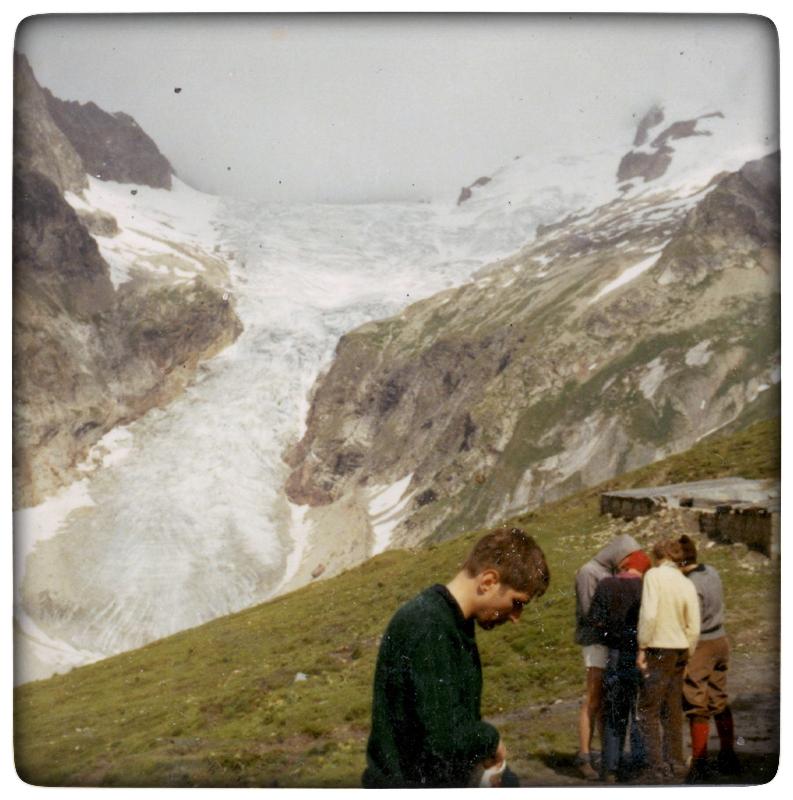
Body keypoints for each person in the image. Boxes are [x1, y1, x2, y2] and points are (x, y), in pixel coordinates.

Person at [362, 525, 550, 788]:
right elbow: (444, 740)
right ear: (488, 582)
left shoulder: (450, 620)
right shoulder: (429, 626)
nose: (516, 617)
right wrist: (491, 739)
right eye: (517, 602)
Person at [574, 533, 640, 779]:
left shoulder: (606, 572)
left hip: (609, 642)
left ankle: (604, 756)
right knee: (593, 698)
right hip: (596, 643)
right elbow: (588, 610)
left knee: (604, 700)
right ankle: (584, 756)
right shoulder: (588, 572)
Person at [676, 534, 740, 783]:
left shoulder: (688, 584)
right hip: (720, 639)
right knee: (719, 697)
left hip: (701, 643)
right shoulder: (711, 572)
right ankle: (727, 754)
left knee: (696, 701)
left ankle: (700, 763)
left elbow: (690, 621)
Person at [635, 539, 700, 782]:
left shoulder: (653, 576)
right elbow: (693, 625)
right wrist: (689, 652)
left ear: (658, 556)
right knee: (672, 708)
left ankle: (655, 765)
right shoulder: (685, 583)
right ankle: (676, 762)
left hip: (659, 647)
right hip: (680, 648)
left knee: (648, 708)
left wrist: (642, 645)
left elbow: (649, 613)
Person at [587, 549, 652, 783]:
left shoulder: (606, 584)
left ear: (626, 565)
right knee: (639, 710)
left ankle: (610, 767)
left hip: (614, 652)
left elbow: (594, 618)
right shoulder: (646, 588)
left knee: (614, 711)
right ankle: (639, 763)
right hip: (641, 653)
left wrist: (608, 634)